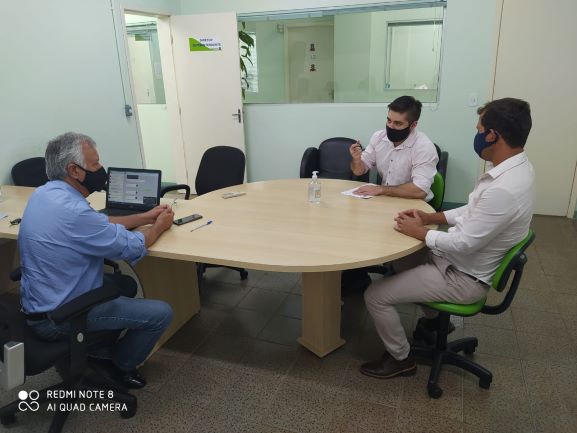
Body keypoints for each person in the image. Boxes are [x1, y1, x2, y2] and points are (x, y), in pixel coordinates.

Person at [361, 97, 535, 379]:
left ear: (493, 135)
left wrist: (422, 233)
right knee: (402, 259)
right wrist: (433, 218)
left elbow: (464, 243)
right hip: (459, 260)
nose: (477, 136)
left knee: (376, 296)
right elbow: (474, 211)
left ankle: (401, 359)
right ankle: (432, 325)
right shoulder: (516, 170)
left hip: (463, 276)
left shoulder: (504, 189)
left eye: (479, 130)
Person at [19, 132, 175, 389]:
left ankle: (93, 345)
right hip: (59, 317)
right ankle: (120, 364)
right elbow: (130, 247)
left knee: (125, 285)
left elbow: (100, 224)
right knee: (161, 313)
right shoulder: (73, 211)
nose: (101, 169)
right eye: (94, 164)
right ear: (74, 171)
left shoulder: (46, 194)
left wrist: (146, 216)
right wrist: (159, 227)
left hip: (39, 302)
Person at [350, 95, 438, 200]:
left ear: (413, 125)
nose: (390, 126)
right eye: (389, 120)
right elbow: (358, 171)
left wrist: (382, 189)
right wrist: (357, 160)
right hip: (386, 198)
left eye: (398, 123)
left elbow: (420, 190)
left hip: (414, 202)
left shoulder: (424, 148)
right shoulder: (379, 137)